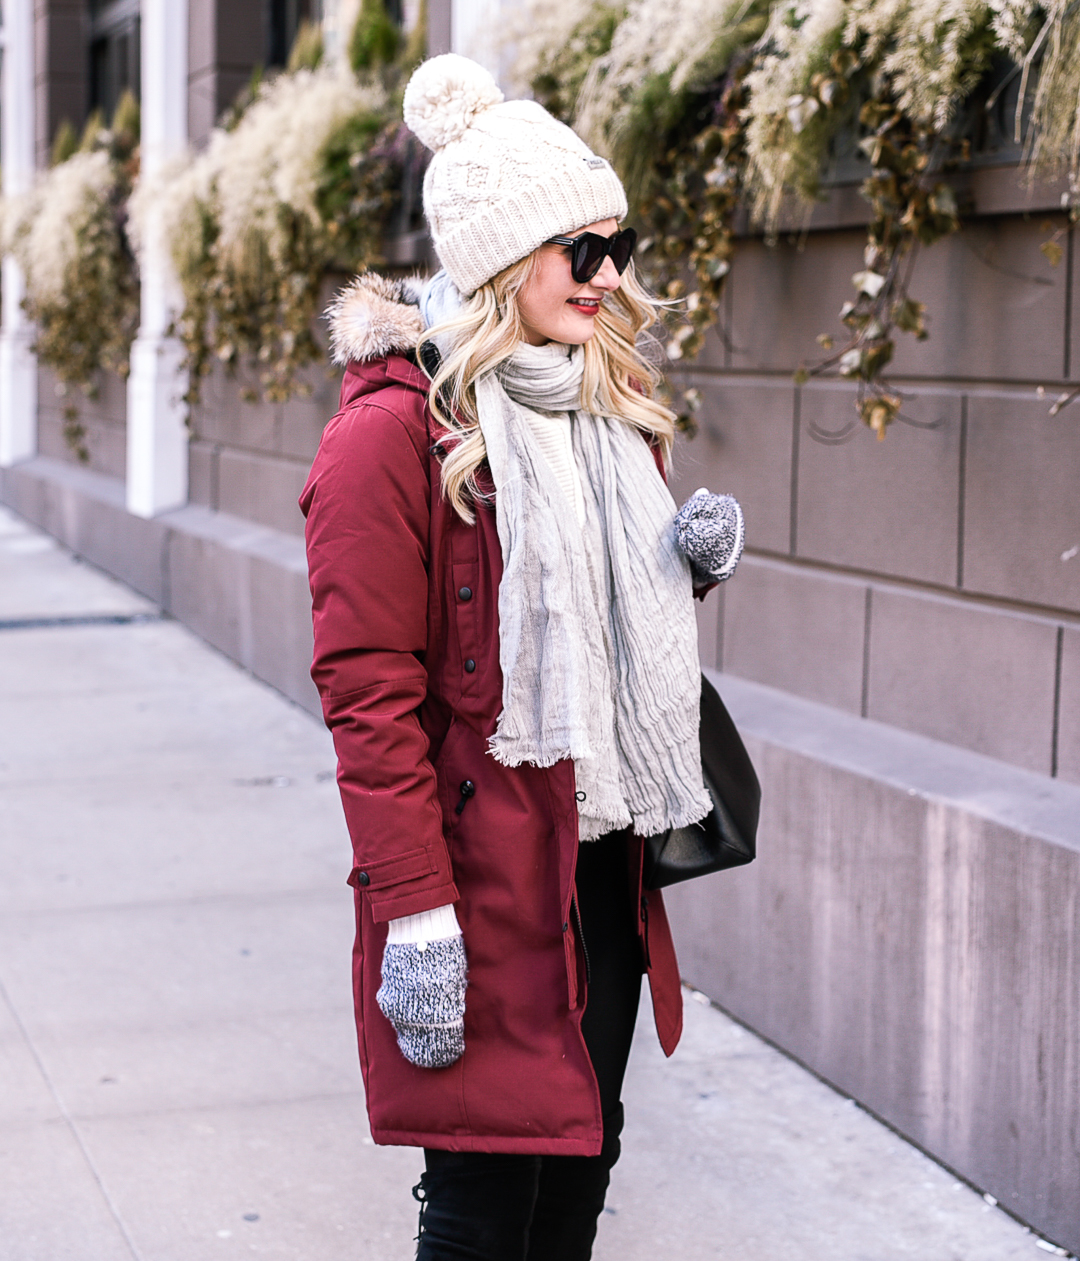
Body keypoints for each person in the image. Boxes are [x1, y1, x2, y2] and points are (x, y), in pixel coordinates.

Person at [300, 53, 744, 1261]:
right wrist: (414, 914)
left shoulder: (603, 405)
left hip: (599, 858)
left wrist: (679, 564)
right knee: (486, 1207)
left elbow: (597, 624)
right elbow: (368, 694)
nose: (611, 274)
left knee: (581, 1174)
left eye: (621, 242)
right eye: (579, 248)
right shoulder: (389, 436)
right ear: (502, 255)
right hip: (479, 875)